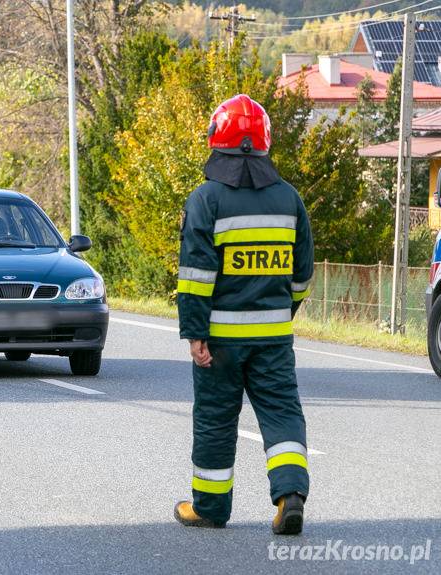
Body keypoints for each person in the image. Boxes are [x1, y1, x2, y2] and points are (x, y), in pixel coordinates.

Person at [173, 94, 314, 535]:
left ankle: (210, 508)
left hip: (219, 339)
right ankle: (290, 495)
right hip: (274, 338)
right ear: (265, 141)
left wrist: (195, 332)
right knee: (282, 414)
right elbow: (303, 275)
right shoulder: (289, 199)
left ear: (218, 139)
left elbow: (196, 276)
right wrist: (279, 312)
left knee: (216, 419)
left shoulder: (206, 199)